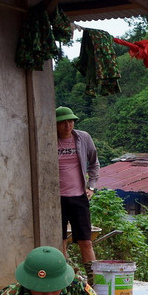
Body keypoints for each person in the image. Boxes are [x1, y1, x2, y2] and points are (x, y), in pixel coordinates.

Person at [56, 106, 101, 279]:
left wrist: (91, 187)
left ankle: (93, 279)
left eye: (71, 121)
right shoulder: (48, 140)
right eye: (63, 122)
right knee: (60, 242)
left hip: (78, 197)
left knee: (86, 241)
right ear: (55, 124)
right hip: (56, 200)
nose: (68, 125)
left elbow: (94, 163)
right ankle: (65, 278)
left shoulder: (83, 138)